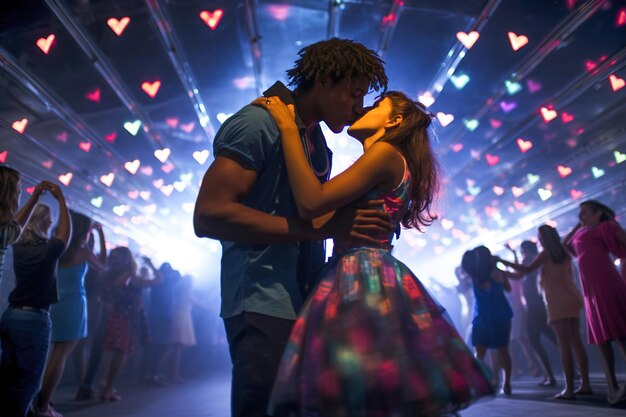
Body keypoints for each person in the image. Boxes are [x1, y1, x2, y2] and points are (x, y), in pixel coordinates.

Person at [254, 91, 493, 416]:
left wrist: (286, 127)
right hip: (367, 271)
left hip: (361, 276)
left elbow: (310, 203)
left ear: (394, 121)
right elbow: (318, 215)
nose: (363, 107)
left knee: (355, 386)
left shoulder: (385, 154)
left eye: (377, 105)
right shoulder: (387, 161)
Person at [193, 38, 391, 417]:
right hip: (260, 298)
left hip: (301, 300)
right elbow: (208, 215)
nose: (357, 107)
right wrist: (321, 230)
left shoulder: (313, 138)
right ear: (323, 81)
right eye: (353, 93)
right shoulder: (259, 122)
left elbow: (310, 216)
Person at [0, 183, 70, 417]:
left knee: (8, 378)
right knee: (28, 382)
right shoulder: (48, 251)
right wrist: (61, 199)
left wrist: (34, 196)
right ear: (43, 222)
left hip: (11, 315)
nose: (52, 223)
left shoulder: (18, 245)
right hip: (34, 319)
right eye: (49, 219)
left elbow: (15, 225)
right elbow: (65, 235)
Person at [498, 226, 591, 400]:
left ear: (544, 238)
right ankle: (585, 383)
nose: (538, 239)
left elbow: (525, 271)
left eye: (540, 236)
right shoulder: (564, 250)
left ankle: (569, 389)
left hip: (556, 301)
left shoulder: (546, 253)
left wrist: (502, 262)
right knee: (576, 342)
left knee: (563, 344)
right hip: (572, 297)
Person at [35, 212, 106, 416]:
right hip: (73, 304)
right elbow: (102, 265)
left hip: (52, 301)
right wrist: (100, 235)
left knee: (47, 356)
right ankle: (43, 405)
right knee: (60, 355)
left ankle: (40, 401)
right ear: (83, 230)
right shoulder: (82, 251)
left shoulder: (55, 246)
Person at [564, 200, 626, 405]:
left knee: (620, 333)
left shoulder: (607, 226)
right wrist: (579, 225)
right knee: (601, 339)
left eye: (584, 213)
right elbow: (566, 245)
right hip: (590, 292)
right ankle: (613, 388)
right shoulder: (581, 234)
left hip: (607, 284)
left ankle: (615, 388)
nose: (581, 217)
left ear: (598, 212)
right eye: (579, 214)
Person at [100, 249, 161, 401]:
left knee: (113, 352)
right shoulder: (129, 277)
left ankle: (106, 385)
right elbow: (158, 280)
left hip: (115, 317)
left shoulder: (109, 276)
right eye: (113, 258)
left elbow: (107, 300)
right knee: (120, 352)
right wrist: (151, 265)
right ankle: (108, 388)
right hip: (125, 319)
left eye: (116, 258)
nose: (113, 261)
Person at [461, 245, 514, 396]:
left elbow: (464, 267)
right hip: (498, 316)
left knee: (481, 353)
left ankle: (488, 384)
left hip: (487, 317)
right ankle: (506, 384)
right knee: (501, 351)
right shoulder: (493, 272)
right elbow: (508, 288)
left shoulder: (474, 274)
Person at [505, 241, 557, 386]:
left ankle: (549, 375)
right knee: (553, 338)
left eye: (521, 251)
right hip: (539, 305)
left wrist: (503, 264)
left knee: (534, 340)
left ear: (525, 250)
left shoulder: (529, 261)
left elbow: (518, 274)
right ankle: (566, 371)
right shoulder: (535, 260)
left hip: (534, 307)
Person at [0, 168, 48, 284]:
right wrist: (35, 197)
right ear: (9, 195)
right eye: (18, 188)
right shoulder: (4, 231)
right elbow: (15, 227)